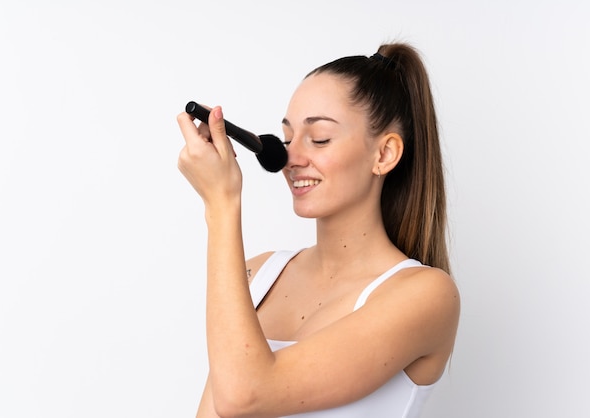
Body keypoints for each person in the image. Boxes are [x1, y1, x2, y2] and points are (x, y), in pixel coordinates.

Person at [176, 42, 460, 418]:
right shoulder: (257, 275)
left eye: (320, 138)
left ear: (384, 154)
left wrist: (222, 205)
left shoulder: (425, 296)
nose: (291, 158)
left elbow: (245, 396)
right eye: (288, 138)